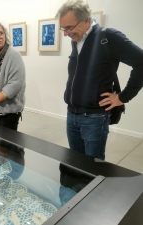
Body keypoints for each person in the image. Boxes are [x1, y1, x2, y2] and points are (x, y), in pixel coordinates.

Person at [55, 0, 143, 160]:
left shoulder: (108, 37)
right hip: (72, 113)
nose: (65, 33)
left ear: (86, 20)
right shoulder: (77, 40)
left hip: (94, 117)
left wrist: (123, 97)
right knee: (76, 161)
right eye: (63, 28)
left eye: (69, 27)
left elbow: (141, 62)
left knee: (93, 167)